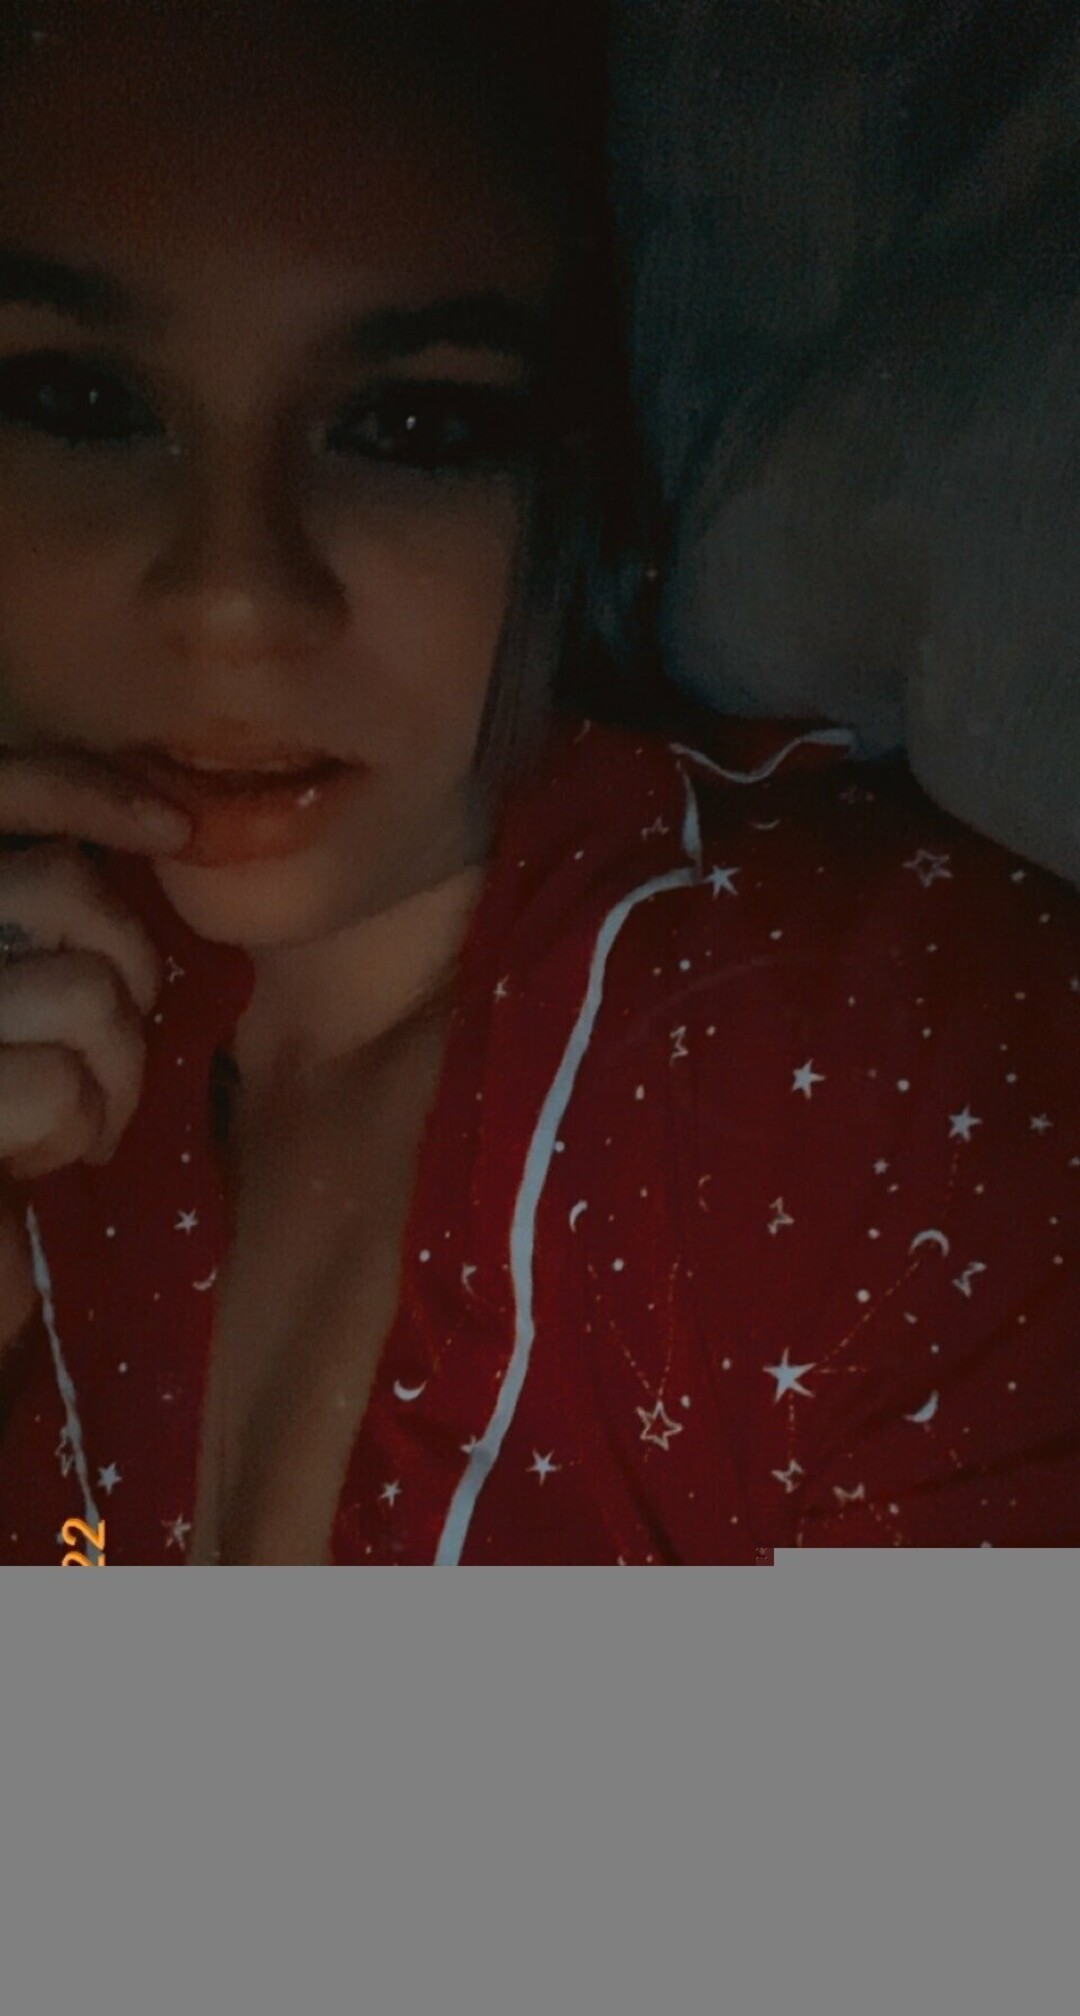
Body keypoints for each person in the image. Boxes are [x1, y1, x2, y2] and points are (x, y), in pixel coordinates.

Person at [0, 0, 1076, 1564]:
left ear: (567, 474)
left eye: (411, 424)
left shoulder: (895, 1072)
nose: (235, 600)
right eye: (85, 406)